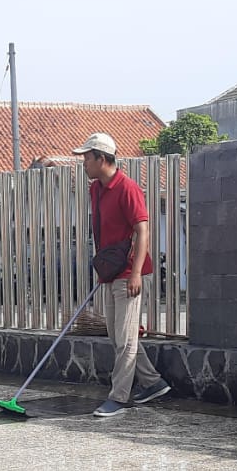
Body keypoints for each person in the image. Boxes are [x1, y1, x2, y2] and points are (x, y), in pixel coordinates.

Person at [75, 133, 171, 419]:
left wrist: (137, 274)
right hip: (113, 271)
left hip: (131, 273)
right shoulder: (96, 189)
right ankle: (154, 382)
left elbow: (143, 230)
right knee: (119, 337)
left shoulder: (128, 189)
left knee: (126, 339)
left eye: (87, 159)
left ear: (102, 159)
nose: (84, 165)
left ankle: (118, 397)